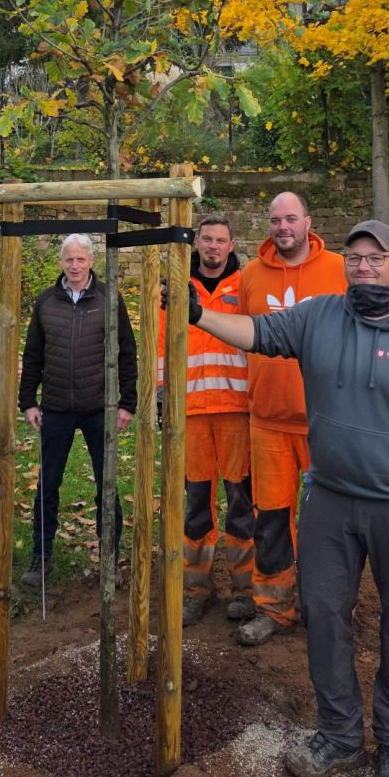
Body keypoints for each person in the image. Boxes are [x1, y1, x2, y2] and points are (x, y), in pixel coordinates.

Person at [185, 219, 389, 777]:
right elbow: (256, 331)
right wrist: (197, 315)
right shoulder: (321, 316)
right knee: (324, 617)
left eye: (376, 259)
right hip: (329, 500)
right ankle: (340, 733)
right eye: (355, 259)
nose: (364, 268)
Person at [234, 190, 346, 646]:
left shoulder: (340, 270)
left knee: (330, 523)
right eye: (275, 219)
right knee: (272, 518)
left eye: (291, 219)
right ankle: (274, 608)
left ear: (308, 222)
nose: (283, 227)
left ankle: (329, 607)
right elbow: (244, 333)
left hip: (327, 420)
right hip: (267, 421)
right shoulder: (250, 275)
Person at [17, 234, 137, 589]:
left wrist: (127, 403)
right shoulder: (45, 303)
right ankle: (41, 558)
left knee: (108, 485)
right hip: (54, 408)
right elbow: (33, 356)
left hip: (99, 407)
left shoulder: (108, 299)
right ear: (61, 263)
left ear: (91, 262)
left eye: (80, 260)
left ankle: (110, 560)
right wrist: (28, 401)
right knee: (48, 486)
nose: (74, 266)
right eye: (68, 260)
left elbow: (127, 353)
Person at [159, 214, 255, 626]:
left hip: (237, 411)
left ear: (231, 245)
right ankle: (196, 589)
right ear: (196, 242)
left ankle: (246, 588)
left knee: (241, 504)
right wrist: (163, 394)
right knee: (195, 506)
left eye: (221, 240)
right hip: (192, 413)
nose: (213, 246)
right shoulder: (176, 290)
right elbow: (163, 345)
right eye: (207, 239)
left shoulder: (247, 287)